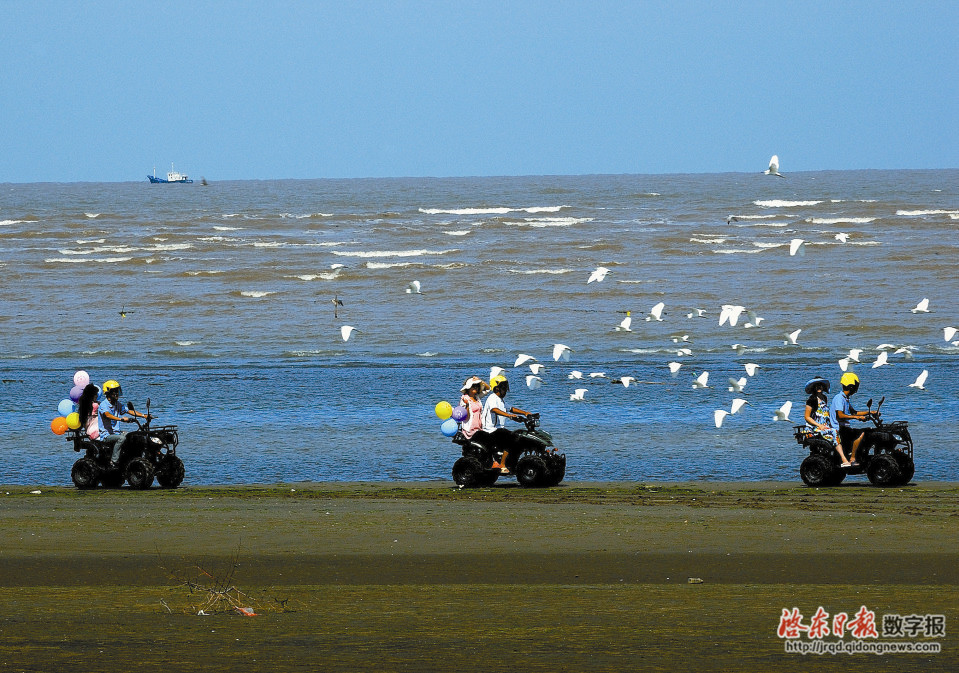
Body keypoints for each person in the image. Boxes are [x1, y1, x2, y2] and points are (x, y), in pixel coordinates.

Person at [480, 375, 531, 473]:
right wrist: (509, 415)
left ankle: (512, 462)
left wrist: (525, 413)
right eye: (504, 388)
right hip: (490, 430)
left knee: (519, 437)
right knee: (511, 439)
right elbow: (494, 409)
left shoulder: (500, 400)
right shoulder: (492, 398)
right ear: (497, 388)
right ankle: (502, 464)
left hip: (499, 429)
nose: (506, 390)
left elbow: (511, 408)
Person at [98, 379, 149, 467]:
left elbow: (129, 411)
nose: (117, 393)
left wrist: (144, 416)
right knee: (121, 439)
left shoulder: (117, 404)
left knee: (133, 436)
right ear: (108, 393)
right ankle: (113, 461)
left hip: (117, 433)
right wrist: (121, 419)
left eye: (117, 391)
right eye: (114, 391)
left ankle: (131, 458)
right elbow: (108, 415)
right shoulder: (103, 405)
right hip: (106, 435)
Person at [803, 377, 851, 467]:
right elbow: (807, 417)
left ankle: (841, 457)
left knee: (840, 431)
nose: (819, 387)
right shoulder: (812, 400)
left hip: (825, 425)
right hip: (815, 427)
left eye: (820, 385)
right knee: (834, 432)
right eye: (817, 385)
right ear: (813, 387)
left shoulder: (824, 398)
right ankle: (844, 459)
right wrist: (819, 425)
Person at [829, 372, 872, 466]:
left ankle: (860, 455)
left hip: (844, 427)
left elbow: (854, 412)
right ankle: (852, 458)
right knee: (862, 433)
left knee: (868, 431)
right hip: (839, 428)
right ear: (851, 386)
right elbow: (840, 415)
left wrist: (870, 412)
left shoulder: (845, 398)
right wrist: (857, 418)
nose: (857, 388)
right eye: (856, 386)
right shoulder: (839, 398)